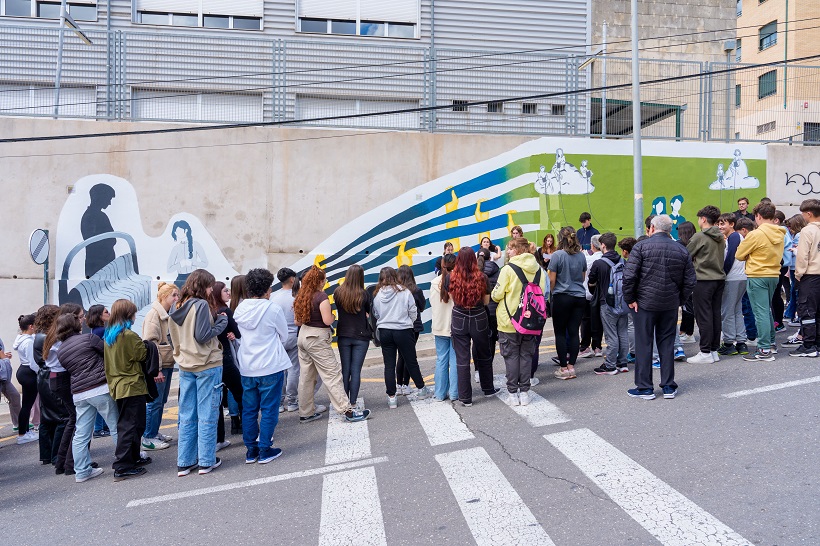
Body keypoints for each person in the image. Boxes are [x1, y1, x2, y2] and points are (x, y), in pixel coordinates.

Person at [623, 215, 696, 400]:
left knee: (644, 344)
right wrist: (680, 299)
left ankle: (645, 387)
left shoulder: (640, 247)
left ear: (652, 228)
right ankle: (668, 386)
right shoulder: (681, 249)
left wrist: (630, 298)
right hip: (669, 303)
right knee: (667, 343)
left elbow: (629, 276)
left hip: (644, 303)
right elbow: (690, 280)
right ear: (669, 229)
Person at [169, 269, 228, 476]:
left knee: (187, 415)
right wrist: (221, 322)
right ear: (203, 286)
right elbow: (203, 336)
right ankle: (206, 461)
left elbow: (172, 337)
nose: (212, 289)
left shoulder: (177, 305)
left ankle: (185, 462)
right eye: (210, 285)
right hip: (207, 364)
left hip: (185, 364)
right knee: (207, 413)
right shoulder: (201, 305)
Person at [294, 265, 370, 422]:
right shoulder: (321, 297)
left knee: (306, 377)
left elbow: (297, 321)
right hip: (317, 338)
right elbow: (327, 320)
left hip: (303, 335)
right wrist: (333, 317)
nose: (325, 282)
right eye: (324, 279)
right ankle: (348, 411)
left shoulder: (302, 296)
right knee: (332, 375)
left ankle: (305, 412)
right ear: (319, 281)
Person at [233, 268, 291, 464]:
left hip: (248, 365)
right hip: (270, 364)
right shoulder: (272, 309)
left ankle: (251, 450)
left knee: (249, 410)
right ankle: (265, 448)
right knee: (269, 409)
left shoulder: (239, 309)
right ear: (267, 290)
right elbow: (284, 335)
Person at [57, 313, 119, 483]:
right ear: (74, 324)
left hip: (78, 393)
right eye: (79, 319)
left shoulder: (61, 350)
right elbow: (108, 353)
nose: (82, 320)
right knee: (115, 425)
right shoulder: (89, 338)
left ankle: (82, 471)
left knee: (81, 433)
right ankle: (126, 458)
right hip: (99, 387)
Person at [492, 237, 546, 406]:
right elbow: (543, 292)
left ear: (518, 250)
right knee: (526, 356)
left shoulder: (508, 269)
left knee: (511, 356)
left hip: (509, 321)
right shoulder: (538, 269)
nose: (507, 252)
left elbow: (497, 294)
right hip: (531, 320)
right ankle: (525, 392)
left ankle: (513, 393)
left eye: (510, 248)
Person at [103, 299, 150, 481]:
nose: (135, 316)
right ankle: (123, 465)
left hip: (118, 385)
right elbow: (142, 355)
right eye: (133, 313)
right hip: (132, 385)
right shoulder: (128, 335)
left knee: (131, 425)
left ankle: (132, 458)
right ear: (128, 314)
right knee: (131, 426)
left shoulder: (110, 335)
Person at [371, 266, 432, 408]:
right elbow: (413, 310)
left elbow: (376, 313)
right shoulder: (404, 292)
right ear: (395, 276)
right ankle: (421, 389)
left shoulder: (377, 294)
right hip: (403, 329)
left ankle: (392, 397)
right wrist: (409, 322)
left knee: (389, 364)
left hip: (385, 330)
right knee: (411, 361)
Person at [736, 203, 786, 361]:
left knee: (760, 312)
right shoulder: (780, 232)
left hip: (757, 274)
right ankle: (770, 343)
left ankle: (764, 349)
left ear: (758, 216)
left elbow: (739, 254)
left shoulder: (755, 234)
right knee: (766, 310)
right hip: (773, 274)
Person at [449, 248, 498, 406]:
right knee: (484, 354)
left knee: (462, 359)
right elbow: (485, 301)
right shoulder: (482, 277)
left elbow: (451, 298)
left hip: (459, 317)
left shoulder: (451, 277)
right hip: (478, 316)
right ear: (474, 259)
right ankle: (488, 388)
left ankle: (465, 397)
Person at [42, 303, 85, 475]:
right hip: (63, 379)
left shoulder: (54, 334)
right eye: (80, 317)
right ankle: (70, 462)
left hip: (57, 378)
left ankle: (63, 462)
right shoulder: (62, 337)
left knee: (72, 419)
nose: (83, 321)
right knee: (76, 419)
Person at [270, 268, 321, 413]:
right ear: (292, 280)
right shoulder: (296, 297)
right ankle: (292, 401)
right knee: (293, 369)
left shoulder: (273, 297)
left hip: (278, 337)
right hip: (293, 336)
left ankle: (279, 402)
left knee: (280, 370)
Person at [141, 282, 179, 451]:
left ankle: (154, 432)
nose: (176, 299)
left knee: (161, 401)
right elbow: (150, 344)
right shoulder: (154, 315)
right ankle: (149, 436)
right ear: (164, 297)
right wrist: (157, 369)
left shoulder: (164, 314)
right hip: (160, 365)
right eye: (174, 296)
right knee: (155, 402)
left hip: (166, 362)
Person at [686, 206, 727, 364]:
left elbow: (686, 255)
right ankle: (713, 350)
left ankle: (705, 351)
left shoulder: (699, 237)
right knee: (715, 314)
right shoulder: (721, 236)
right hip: (719, 278)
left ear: (703, 219)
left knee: (703, 316)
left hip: (703, 279)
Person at [207, 280, 244, 452]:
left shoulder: (208, 310)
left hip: (211, 360)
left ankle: (218, 438)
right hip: (225, 357)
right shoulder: (224, 311)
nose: (228, 293)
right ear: (217, 293)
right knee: (241, 393)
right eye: (224, 290)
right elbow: (237, 332)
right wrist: (232, 332)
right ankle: (249, 430)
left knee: (217, 400)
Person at [548, 227, 588, 380]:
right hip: (579, 296)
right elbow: (583, 277)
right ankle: (572, 366)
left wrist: (550, 294)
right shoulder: (581, 256)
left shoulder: (557, 255)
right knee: (574, 332)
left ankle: (563, 367)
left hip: (562, 296)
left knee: (559, 332)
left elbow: (552, 280)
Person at [589, 233, 629, 375]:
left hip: (607, 302)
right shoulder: (623, 261)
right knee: (622, 332)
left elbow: (591, 281)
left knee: (611, 335)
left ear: (603, 246)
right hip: (623, 302)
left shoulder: (599, 263)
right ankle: (623, 362)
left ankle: (610, 365)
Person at [32, 305, 68, 465]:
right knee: (62, 416)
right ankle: (57, 455)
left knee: (47, 418)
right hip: (51, 376)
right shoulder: (48, 336)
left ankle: (47, 454)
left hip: (44, 377)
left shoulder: (39, 335)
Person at [334, 264, 372, 406]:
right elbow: (367, 312)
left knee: (345, 370)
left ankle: (344, 403)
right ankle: (353, 401)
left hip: (343, 334)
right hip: (361, 335)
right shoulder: (364, 294)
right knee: (356, 370)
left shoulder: (338, 292)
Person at [716, 214, 749, 357]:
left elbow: (730, 257)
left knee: (727, 312)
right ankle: (741, 343)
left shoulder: (734, 237)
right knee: (736, 310)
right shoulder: (735, 237)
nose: (720, 227)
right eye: (719, 224)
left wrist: (723, 274)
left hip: (732, 278)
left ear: (732, 224)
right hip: (741, 277)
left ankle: (729, 343)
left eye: (723, 224)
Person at [791, 199, 820, 357]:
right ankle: (818, 343)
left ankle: (808, 345)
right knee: (819, 312)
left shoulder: (807, 231)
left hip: (810, 275)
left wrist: (798, 274)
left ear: (809, 214)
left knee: (807, 311)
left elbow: (802, 256)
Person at [431, 253, 458, 401]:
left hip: (439, 325)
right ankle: (454, 393)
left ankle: (440, 393)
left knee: (441, 359)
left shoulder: (434, 283)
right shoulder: (457, 282)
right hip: (455, 326)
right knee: (454, 360)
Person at [395, 265, 426, 396]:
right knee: (409, 356)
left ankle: (399, 384)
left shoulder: (396, 291)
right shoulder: (416, 290)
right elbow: (422, 306)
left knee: (401, 356)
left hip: (399, 326)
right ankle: (405, 384)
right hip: (414, 326)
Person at [14, 314, 40, 444]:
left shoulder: (21, 338)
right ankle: (23, 435)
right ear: (31, 326)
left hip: (23, 371)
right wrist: (40, 373)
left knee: (26, 405)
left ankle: (24, 432)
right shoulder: (28, 342)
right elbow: (33, 362)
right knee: (27, 405)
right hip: (29, 373)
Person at [80, 183, 116, 278]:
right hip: (97, 269)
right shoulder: (91, 217)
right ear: (100, 197)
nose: (109, 203)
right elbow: (93, 242)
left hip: (103, 268)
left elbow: (111, 239)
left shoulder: (99, 216)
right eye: (108, 198)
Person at [86, 304, 110, 438]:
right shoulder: (101, 331)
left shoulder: (96, 330)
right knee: (103, 398)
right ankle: (99, 428)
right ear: (99, 316)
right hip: (102, 367)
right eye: (106, 312)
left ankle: (102, 427)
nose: (109, 313)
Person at [579, 235, 604, 358]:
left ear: (592, 245)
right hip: (600, 294)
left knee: (585, 320)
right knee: (598, 321)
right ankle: (597, 347)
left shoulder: (586, 259)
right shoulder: (603, 259)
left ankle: (585, 346)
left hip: (586, 293)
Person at [675, 221, 698, 343]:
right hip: (696, 278)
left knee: (687, 306)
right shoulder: (696, 242)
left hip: (684, 279)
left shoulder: (679, 245)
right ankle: (685, 331)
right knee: (689, 306)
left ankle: (688, 333)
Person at [783, 214, 806, 324]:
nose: (790, 230)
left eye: (791, 227)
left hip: (795, 267)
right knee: (794, 291)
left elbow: (798, 251)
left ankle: (797, 316)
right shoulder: (798, 235)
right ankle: (791, 313)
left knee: (796, 291)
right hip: (793, 266)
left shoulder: (798, 235)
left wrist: (793, 249)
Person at [0, 337, 22, 437]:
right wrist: (4, 359)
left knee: (15, 396)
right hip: (2, 374)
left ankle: (18, 423)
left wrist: (4, 357)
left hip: (4, 376)